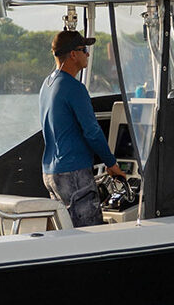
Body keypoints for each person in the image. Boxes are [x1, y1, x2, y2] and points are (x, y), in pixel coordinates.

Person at [40, 29, 127, 227]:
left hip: (51, 173)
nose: (88, 54)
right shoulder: (74, 88)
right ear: (73, 54)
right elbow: (92, 131)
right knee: (89, 233)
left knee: (65, 231)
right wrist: (111, 164)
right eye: (84, 49)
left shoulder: (47, 84)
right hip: (73, 174)